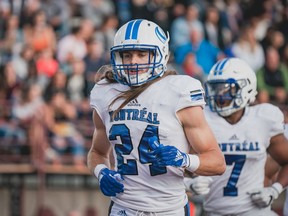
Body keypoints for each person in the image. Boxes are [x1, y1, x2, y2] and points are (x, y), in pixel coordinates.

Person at [87, 19, 226, 216]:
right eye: (127, 55)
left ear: (160, 54)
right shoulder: (105, 92)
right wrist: (101, 172)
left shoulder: (179, 91)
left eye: (142, 54)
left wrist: (184, 159)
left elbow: (217, 162)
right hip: (122, 208)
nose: (133, 61)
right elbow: (97, 152)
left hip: (168, 210)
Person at [185, 57, 288, 215]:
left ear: (246, 88)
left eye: (226, 89)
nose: (219, 95)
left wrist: (275, 189)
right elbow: (183, 164)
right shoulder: (203, 118)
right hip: (215, 211)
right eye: (215, 89)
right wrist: (189, 182)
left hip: (255, 211)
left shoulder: (264, 118)